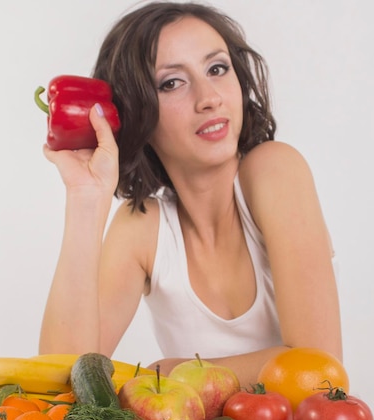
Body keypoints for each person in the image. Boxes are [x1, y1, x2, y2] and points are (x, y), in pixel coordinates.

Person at [39, 1, 342, 386]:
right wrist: (86, 198)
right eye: (171, 83)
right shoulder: (143, 227)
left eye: (217, 69)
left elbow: (321, 374)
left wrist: (176, 373)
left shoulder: (275, 170)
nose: (209, 97)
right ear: (136, 113)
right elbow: (59, 380)